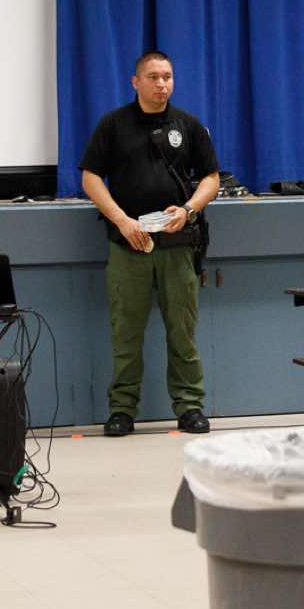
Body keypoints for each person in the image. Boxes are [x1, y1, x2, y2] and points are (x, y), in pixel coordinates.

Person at [80, 51, 220, 437]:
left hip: (178, 245)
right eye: (154, 77)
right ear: (136, 81)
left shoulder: (188, 125)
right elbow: (90, 177)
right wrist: (121, 220)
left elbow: (211, 178)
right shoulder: (114, 125)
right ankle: (122, 410)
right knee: (126, 334)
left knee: (182, 332)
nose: (162, 84)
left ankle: (190, 406)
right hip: (129, 245)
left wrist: (189, 210)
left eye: (167, 77)